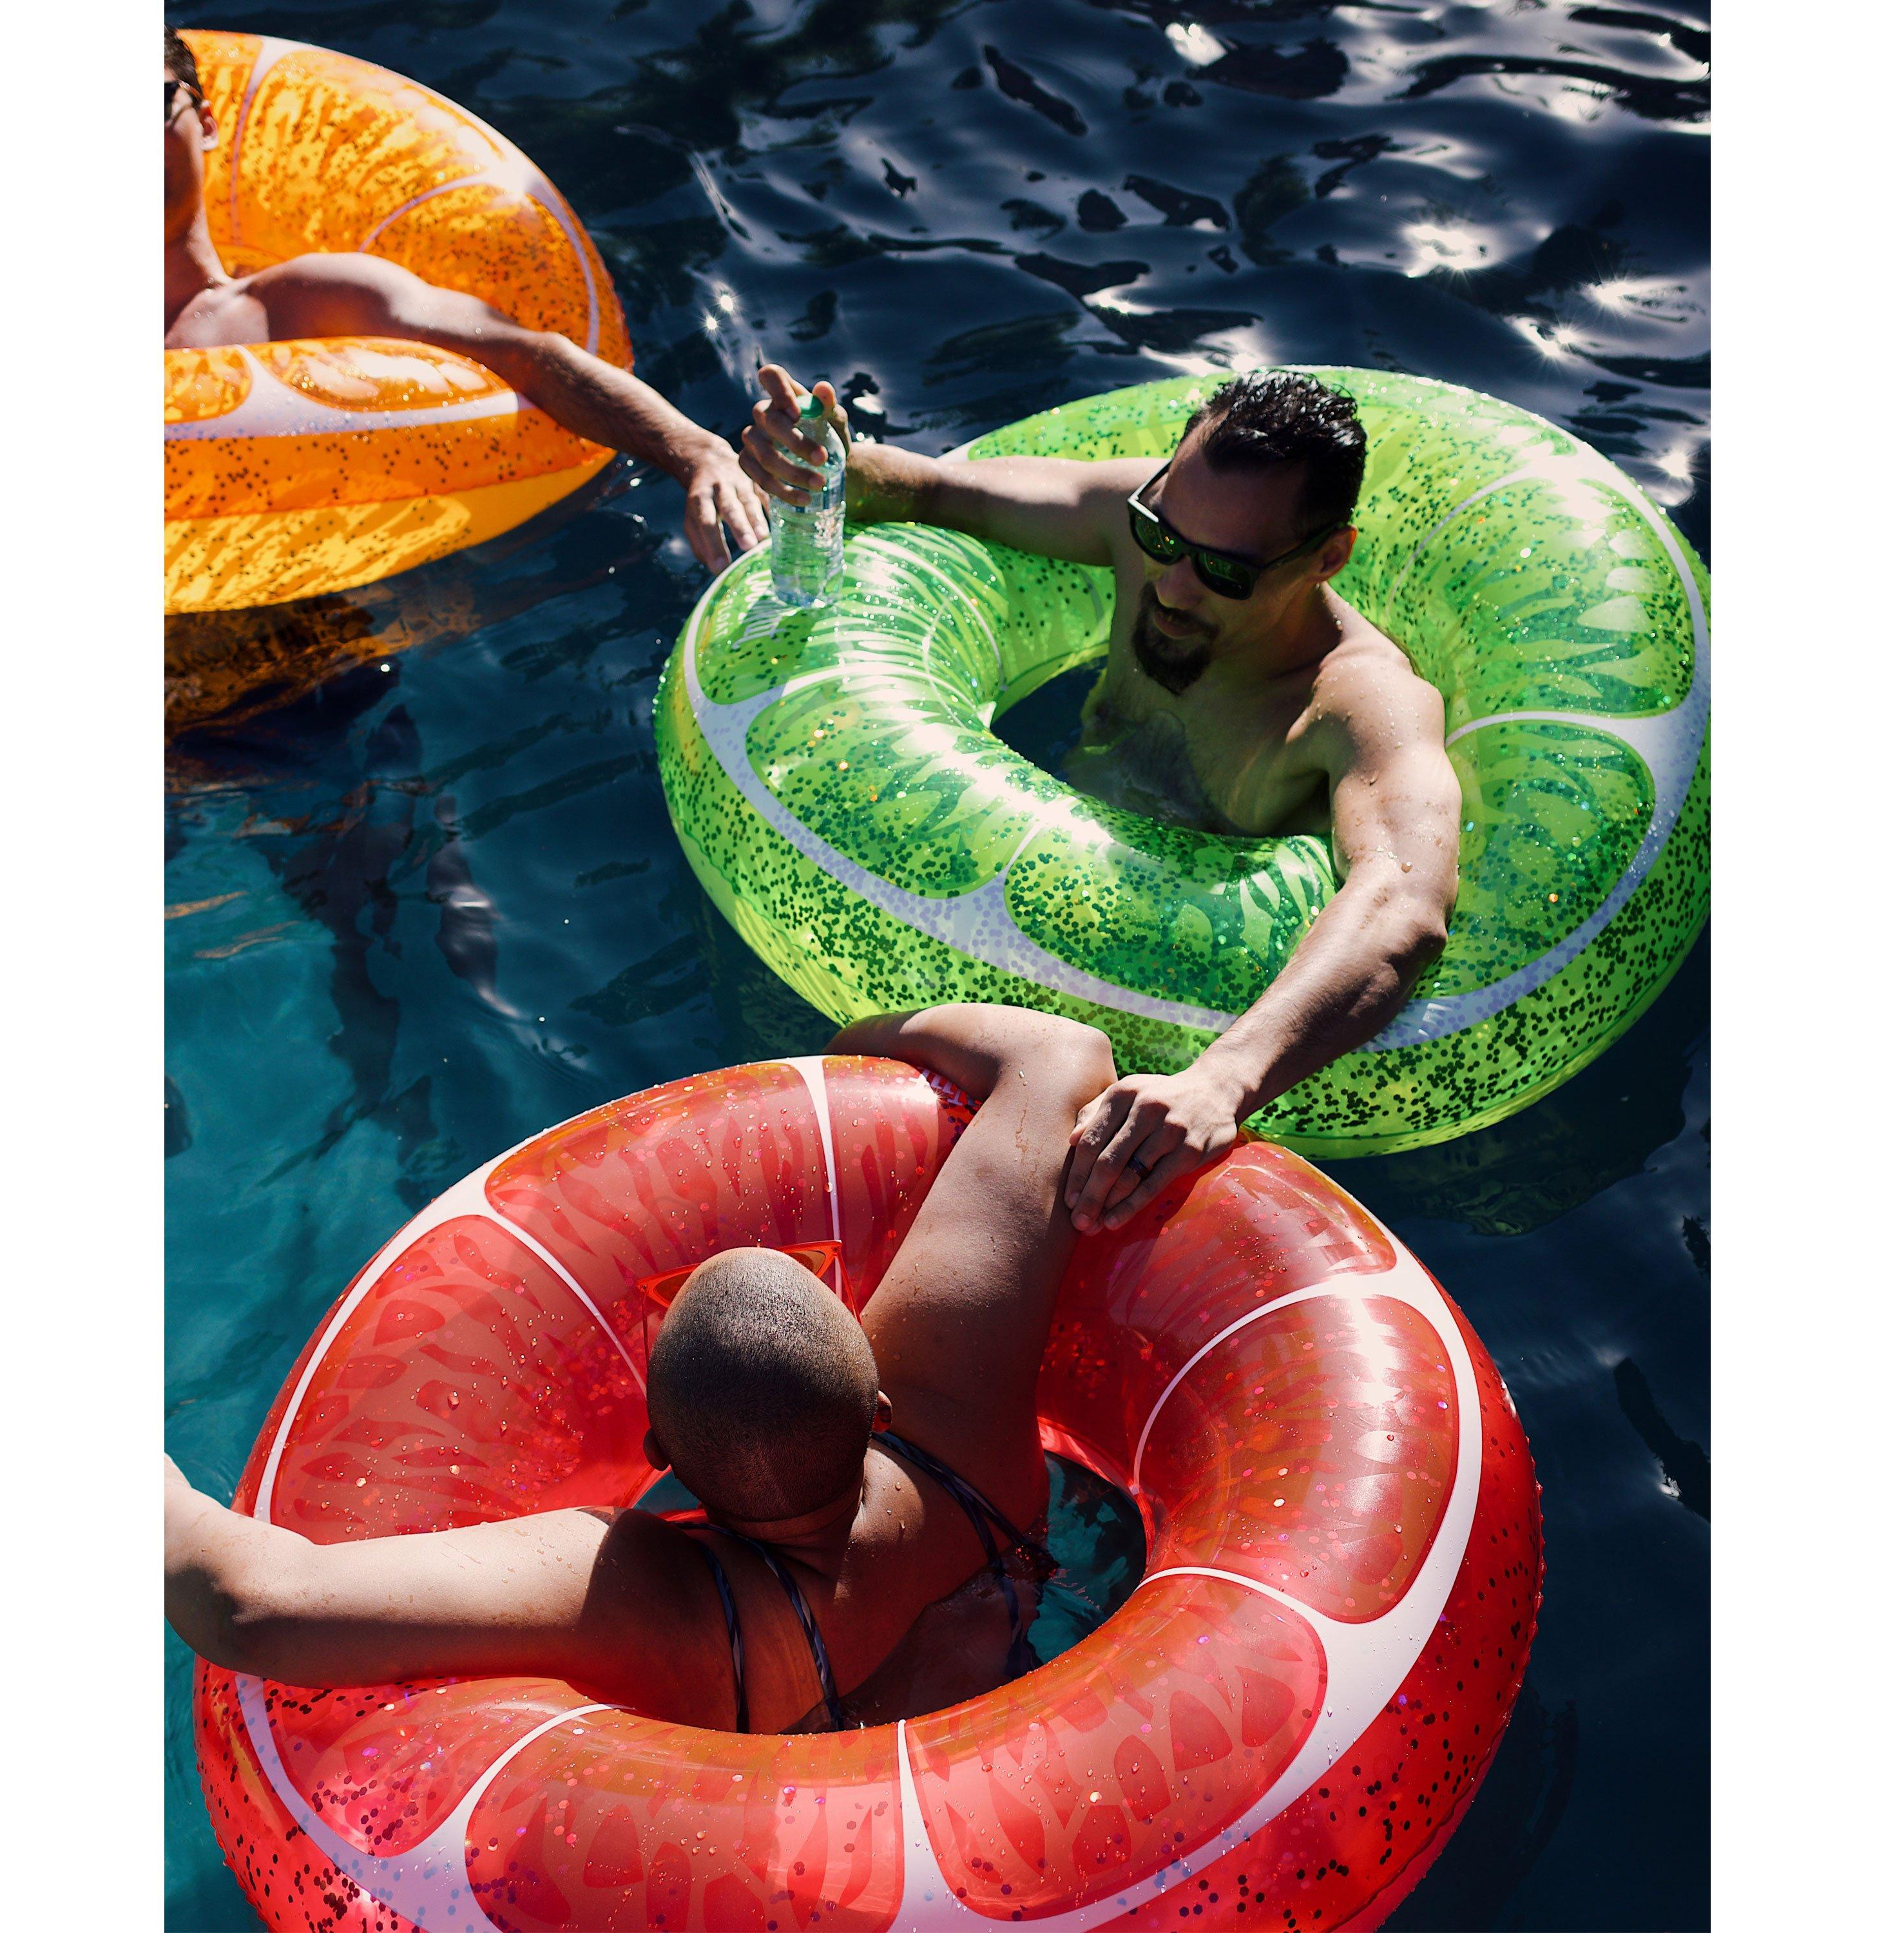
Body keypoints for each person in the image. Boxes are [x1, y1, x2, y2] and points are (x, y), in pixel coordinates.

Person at [165, 1003, 1115, 1733]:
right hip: (1033, 1677)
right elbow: (1060, 1057)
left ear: (660, 1455)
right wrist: (845, 1053)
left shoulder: (656, 1599)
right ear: (875, 1397)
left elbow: (253, 1607)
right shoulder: (960, 1408)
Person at [739, 363, 1461, 1234]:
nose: (1172, 587)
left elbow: (1405, 900)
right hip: (997, 937)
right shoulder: (1140, 531)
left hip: (1149, 1051)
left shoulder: (1355, 700)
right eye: (1164, 535)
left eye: (1226, 573)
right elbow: (934, 487)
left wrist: (1221, 1080)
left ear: (1328, 558)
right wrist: (827, 469)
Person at [163, 28, 765, 575]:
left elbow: (525, 355)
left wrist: (694, 449)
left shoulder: (299, 303)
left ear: (209, 123)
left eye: (152, 105)